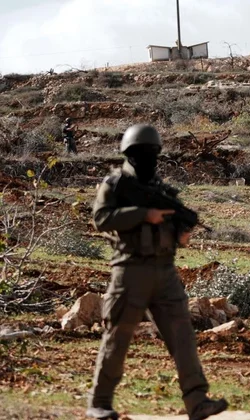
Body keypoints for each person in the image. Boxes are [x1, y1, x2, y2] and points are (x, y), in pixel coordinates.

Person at [86, 124, 228, 420]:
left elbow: (172, 230)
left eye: (151, 153)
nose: (146, 158)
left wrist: (180, 233)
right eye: (141, 153)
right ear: (129, 154)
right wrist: (143, 215)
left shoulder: (159, 190)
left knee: (183, 337)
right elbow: (100, 218)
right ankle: (99, 403)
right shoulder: (115, 184)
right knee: (117, 338)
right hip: (130, 270)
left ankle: (198, 402)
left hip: (165, 273)